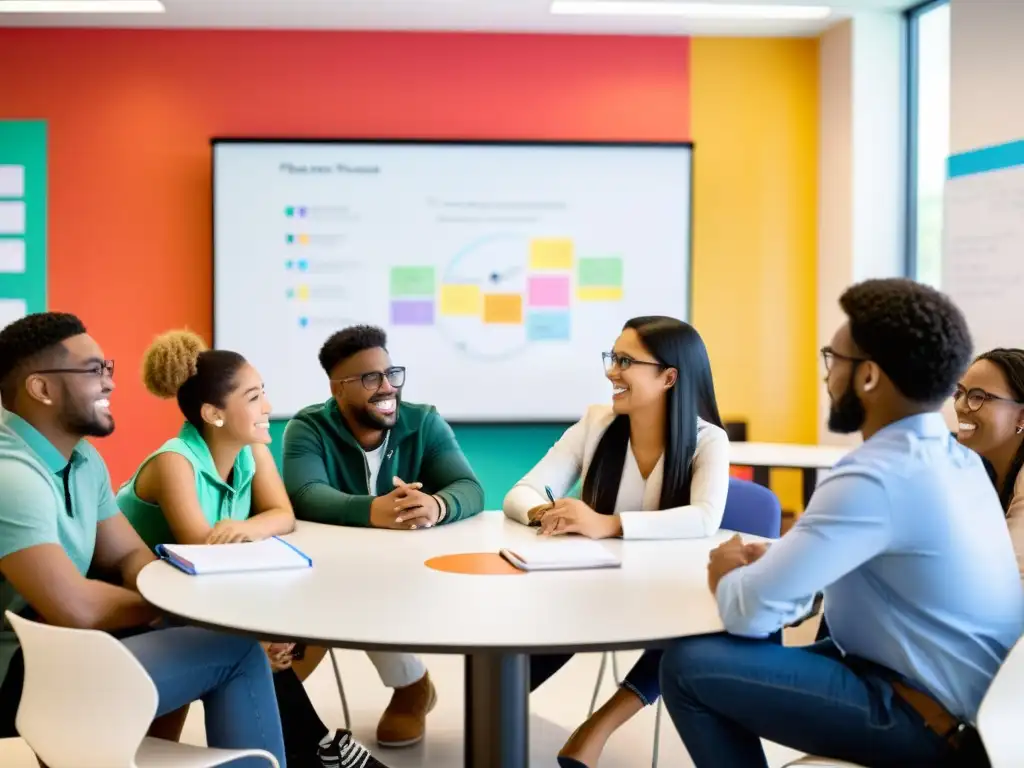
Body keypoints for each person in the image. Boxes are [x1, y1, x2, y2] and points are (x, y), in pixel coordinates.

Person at [660, 278, 1024, 767]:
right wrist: (786, 564)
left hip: (933, 724)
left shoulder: (874, 473)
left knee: (686, 668)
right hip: (979, 710)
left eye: (833, 361)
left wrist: (726, 573)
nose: (827, 377)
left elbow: (750, 613)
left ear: (868, 376)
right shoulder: (952, 460)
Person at [0, 313, 285, 766]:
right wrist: (187, 612)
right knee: (236, 651)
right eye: (94, 371)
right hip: (25, 672)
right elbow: (74, 606)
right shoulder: (11, 475)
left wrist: (181, 609)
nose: (109, 384)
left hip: (64, 648)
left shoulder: (83, 460)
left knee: (220, 642)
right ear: (42, 389)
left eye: (106, 369)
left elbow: (129, 554)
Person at [117, 330, 391, 768]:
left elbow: (282, 514)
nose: (267, 406)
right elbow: (203, 561)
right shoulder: (175, 461)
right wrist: (259, 630)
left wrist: (246, 528)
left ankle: (314, 747)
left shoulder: (250, 450)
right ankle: (318, 748)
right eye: (253, 397)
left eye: (264, 393)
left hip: (181, 605)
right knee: (252, 653)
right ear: (214, 414)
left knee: (272, 642)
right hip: (135, 608)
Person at [503, 316, 730, 768]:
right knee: (549, 622)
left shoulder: (709, 441)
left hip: (668, 595)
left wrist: (608, 523)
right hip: (591, 588)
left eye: (625, 361)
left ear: (669, 377)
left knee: (688, 628)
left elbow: (704, 518)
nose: (611, 371)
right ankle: (494, 715)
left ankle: (599, 725)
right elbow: (520, 493)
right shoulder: (595, 423)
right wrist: (546, 512)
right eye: (612, 358)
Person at [282, 324, 485, 748]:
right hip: (331, 573)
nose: (387, 387)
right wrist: (372, 510)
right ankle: (408, 684)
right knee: (336, 595)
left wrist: (436, 505)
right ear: (338, 389)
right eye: (370, 378)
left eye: (391, 373)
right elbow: (304, 494)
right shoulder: (307, 427)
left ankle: (409, 688)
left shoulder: (423, 421)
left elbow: (469, 488)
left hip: (414, 571)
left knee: (355, 592)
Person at [954, 348, 1024, 580]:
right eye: (960, 393)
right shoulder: (981, 468)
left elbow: (1007, 581)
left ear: (1022, 417)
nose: (961, 406)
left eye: (978, 397)